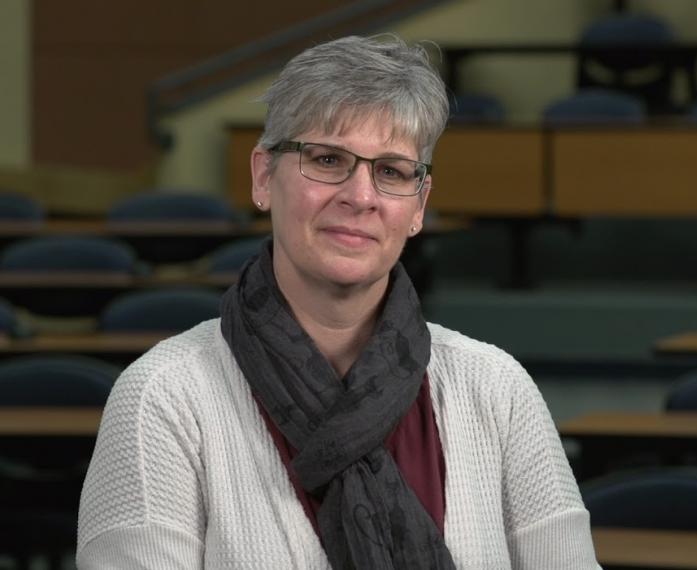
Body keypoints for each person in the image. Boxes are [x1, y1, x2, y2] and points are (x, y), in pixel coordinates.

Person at [76, 34, 599, 569]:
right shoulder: (162, 398)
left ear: (418, 206)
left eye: (392, 171)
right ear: (263, 175)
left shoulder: (496, 389)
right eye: (327, 159)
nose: (361, 195)